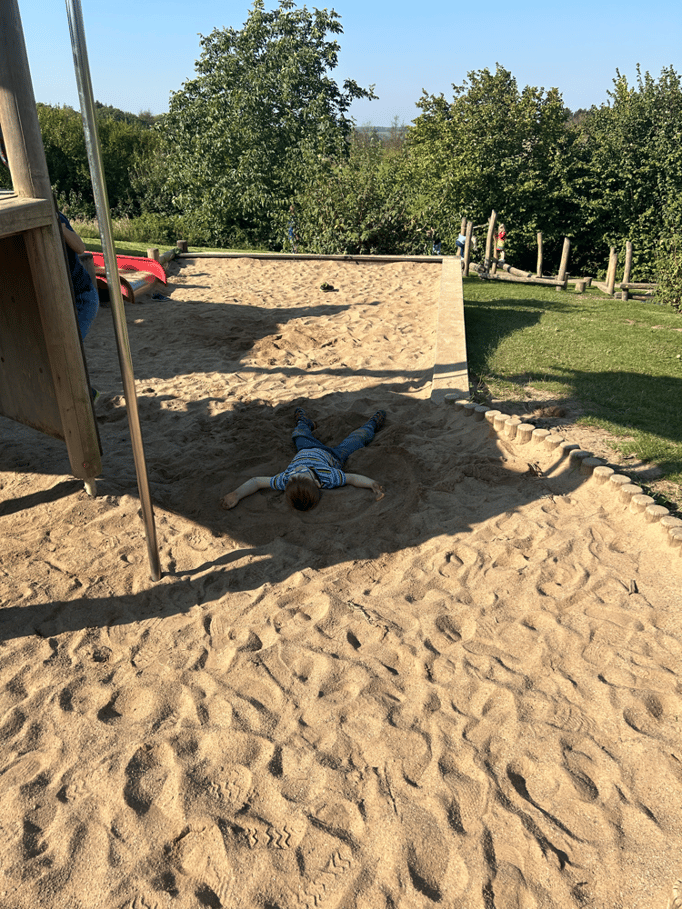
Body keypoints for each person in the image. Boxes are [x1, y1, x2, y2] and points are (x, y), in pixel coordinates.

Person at [220, 408, 386, 511]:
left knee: (299, 433)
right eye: (302, 473)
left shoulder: (285, 480)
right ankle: (372, 424)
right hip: (334, 456)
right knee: (357, 439)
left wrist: (237, 494)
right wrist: (372, 484)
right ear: (316, 483)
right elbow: (352, 478)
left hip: (306, 448)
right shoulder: (328, 477)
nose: (298, 470)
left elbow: (256, 482)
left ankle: (304, 421)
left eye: (295, 474)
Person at [58, 211, 100, 342]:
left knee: (70, 346)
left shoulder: (56, 216)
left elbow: (80, 248)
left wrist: (62, 229)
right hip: (66, 297)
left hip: (81, 296)